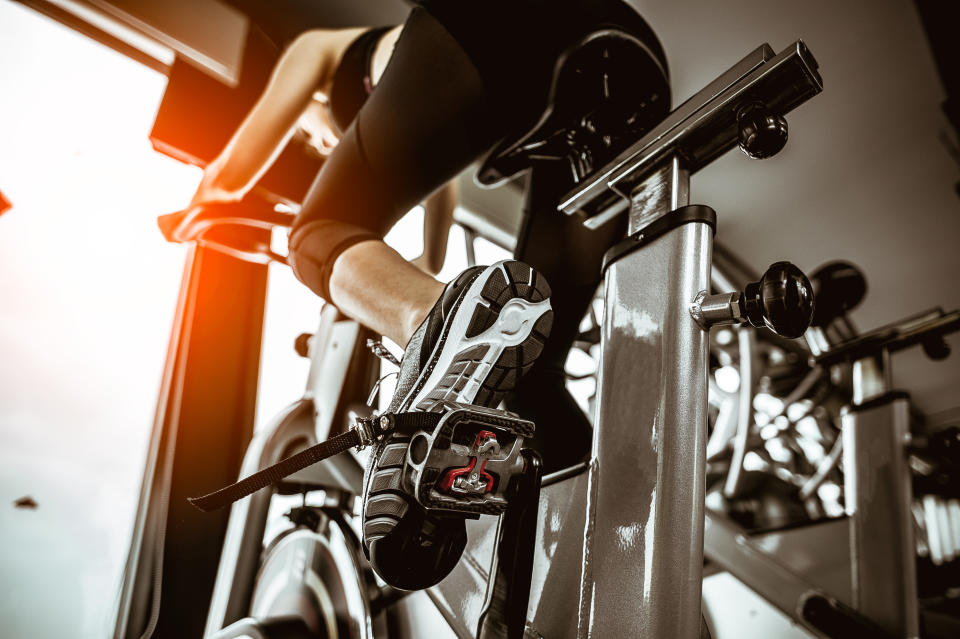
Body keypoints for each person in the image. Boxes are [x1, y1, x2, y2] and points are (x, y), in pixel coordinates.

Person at [167, 0, 667, 590]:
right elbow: (433, 243)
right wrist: (398, 280)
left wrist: (192, 214)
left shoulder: (320, 50)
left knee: (313, 237)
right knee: (535, 374)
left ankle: (436, 325)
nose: (325, 139)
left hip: (494, 25)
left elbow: (228, 174)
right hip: (633, 65)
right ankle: (625, 539)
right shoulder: (430, 103)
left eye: (316, 129)